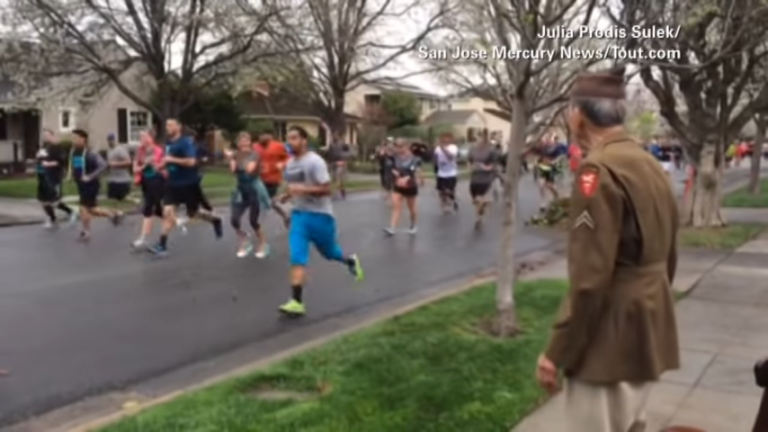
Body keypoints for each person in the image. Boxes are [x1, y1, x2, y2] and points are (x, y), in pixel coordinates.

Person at [536, 66, 680, 432]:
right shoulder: (649, 164)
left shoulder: (595, 173)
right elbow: (669, 254)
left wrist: (557, 350)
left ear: (578, 117)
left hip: (609, 344)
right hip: (649, 326)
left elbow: (589, 277)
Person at [276, 125, 364, 316]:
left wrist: (301, 190)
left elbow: (326, 189)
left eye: (294, 138)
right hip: (299, 215)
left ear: (304, 140)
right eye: (288, 138)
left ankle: (349, 260)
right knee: (297, 257)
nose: (290, 142)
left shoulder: (315, 162)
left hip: (321, 216)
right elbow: (293, 187)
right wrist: (286, 196)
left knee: (330, 253)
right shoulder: (290, 163)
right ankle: (296, 301)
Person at [147, 119, 223, 256]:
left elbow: (191, 161)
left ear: (179, 127)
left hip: (188, 184)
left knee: (193, 213)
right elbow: (168, 161)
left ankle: (215, 220)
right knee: (167, 213)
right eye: (166, 125)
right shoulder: (169, 143)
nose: (167, 127)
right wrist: (160, 165)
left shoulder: (186, 142)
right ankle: (162, 245)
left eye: (170, 125)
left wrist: (171, 160)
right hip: (172, 184)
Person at [67, 129, 124, 241]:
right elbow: (75, 166)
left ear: (82, 139)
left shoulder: (90, 153)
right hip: (81, 184)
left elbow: (103, 165)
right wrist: (71, 176)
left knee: (83, 208)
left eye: (75, 137)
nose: (73, 139)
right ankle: (114, 214)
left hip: (91, 184)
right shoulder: (74, 151)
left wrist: (90, 176)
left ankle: (86, 232)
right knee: (92, 209)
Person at [225, 132, 270, 258]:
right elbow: (233, 170)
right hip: (240, 189)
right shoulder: (235, 155)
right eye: (241, 141)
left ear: (250, 142)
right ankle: (244, 239)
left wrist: (235, 157)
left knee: (253, 221)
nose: (243, 143)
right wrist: (230, 159)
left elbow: (249, 169)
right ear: (238, 143)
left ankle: (263, 244)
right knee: (234, 219)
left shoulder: (254, 154)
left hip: (254, 188)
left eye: (246, 140)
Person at [36, 129, 77, 229]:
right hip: (43, 177)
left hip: (54, 177)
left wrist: (49, 164)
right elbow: (39, 159)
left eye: (47, 135)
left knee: (54, 201)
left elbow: (61, 161)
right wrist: (38, 158)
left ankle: (71, 212)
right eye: (44, 135)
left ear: (52, 135)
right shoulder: (44, 147)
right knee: (43, 201)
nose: (45, 137)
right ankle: (53, 219)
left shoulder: (57, 147)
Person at [131, 130, 166, 249]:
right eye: (140, 137)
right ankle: (176, 221)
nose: (142, 139)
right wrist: (144, 165)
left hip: (157, 180)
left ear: (151, 138)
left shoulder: (158, 150)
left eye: (144, 136)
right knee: (158, 210)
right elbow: (135, 169)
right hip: (145, 181)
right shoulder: (139, 151)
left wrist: (148, 165)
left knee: (148, 208)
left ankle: (143, 238)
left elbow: (158, 166)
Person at [384, 138, 423, 235]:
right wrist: (395, 173)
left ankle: (413, 224)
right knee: (396, 206)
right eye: (396, 146)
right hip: (398, 185)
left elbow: (415, 170)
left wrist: (408, 178)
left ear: (406, 146)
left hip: (410, 185)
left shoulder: (415, 158)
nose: (398, 149)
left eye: (400, 146)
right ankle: (392, 228)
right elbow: (391, 166)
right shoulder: (394, 157)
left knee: (412, 208)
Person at [254, 130, 291, 227]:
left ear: (270, 136)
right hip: (258, 178)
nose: (264, 137)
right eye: (262, 135)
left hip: (273, 178)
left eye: (266, 135)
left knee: (268, 201)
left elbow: (287, 158)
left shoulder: (278, 146)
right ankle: (285, 215)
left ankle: (258, 223)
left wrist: (282, 164)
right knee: (266, 201)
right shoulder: (255, 147)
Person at [468, 138, 498, 228]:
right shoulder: (472, 151)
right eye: (478, 142)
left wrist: (486, 167)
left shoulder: (491, 152)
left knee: (484, 200)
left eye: (482, 143)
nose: (479, 144)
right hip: (475, 178)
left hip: (487, 179)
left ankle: (480, 213)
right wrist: (471, 167)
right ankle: (478, 219)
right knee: (478, 201)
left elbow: (494, 164)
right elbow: (469, 162)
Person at [434, 132, 459, 213]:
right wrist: (436, 168)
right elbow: (436, 158)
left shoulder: (453, 147)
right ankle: (444, 205)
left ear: (451, 139)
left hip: (451, 173)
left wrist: (442, 147)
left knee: (449, 190)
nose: (445, 140)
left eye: (447, 138)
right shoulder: (437, 148)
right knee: (441, 191)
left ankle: (453, 200)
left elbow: (451, 156)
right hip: (441, 173)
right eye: (443, 138)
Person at [105, 133, 133, 202]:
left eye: (112, 140)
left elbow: (128, 162)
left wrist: (115, 164)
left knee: (123, 199)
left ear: (115, 140)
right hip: (112, 180)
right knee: (111, 199)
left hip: (122, 180)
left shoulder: (120, 150)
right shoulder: (109, 151)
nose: (110, 142)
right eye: (109, 140)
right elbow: (109, 164)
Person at [326, 134, 351, 199]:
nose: (334, 138)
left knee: (338, 178)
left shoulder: (342, 145)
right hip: (333, 164)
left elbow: (349, 152)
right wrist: (328, 163)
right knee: (334, 179)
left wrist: (344, 160)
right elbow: (328, 155)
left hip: (341, 163)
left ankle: (333, 193)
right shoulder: (331, 146)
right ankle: (342, 191)